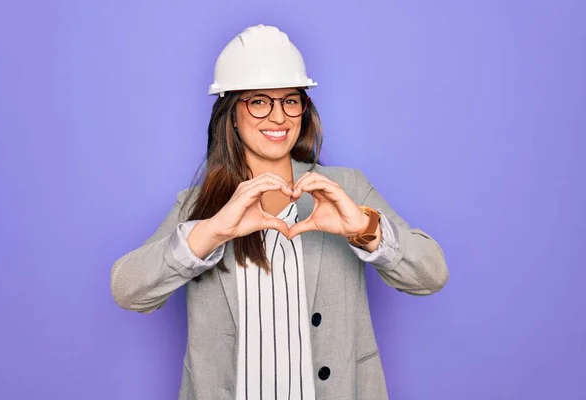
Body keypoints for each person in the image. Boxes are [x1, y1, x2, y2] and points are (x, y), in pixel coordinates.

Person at [111, 24, 448, 400]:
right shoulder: (197, 206)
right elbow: (128, 291)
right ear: (231, 115)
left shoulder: (347, 189)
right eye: (258, 100)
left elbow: (431, 276)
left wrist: (364, 229)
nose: (278, 117)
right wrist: (211, 232)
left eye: (290, 100)